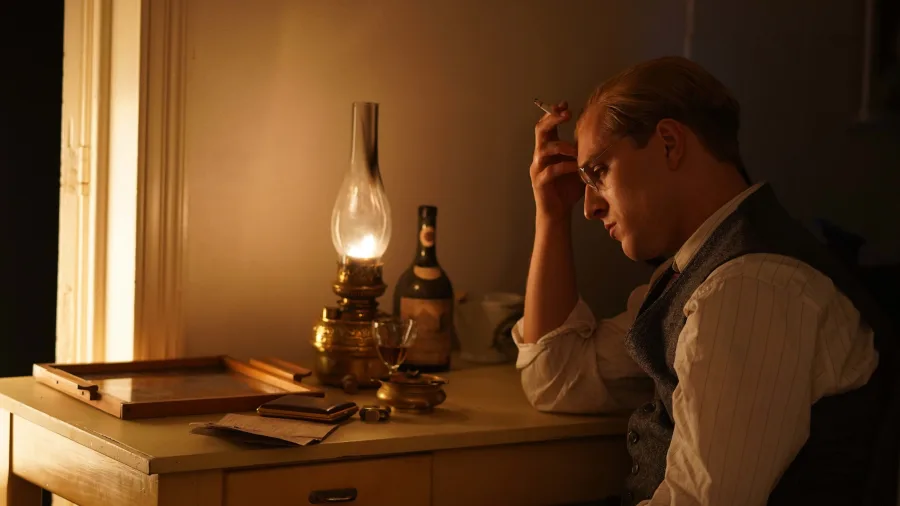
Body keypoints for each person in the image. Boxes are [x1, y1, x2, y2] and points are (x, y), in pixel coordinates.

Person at [513, 56, 897, 506]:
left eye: (597, 173)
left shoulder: (749, 290)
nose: (589, 207)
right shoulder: (701, 277)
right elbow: (558, 379)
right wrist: (551, 217)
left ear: (670, 144)